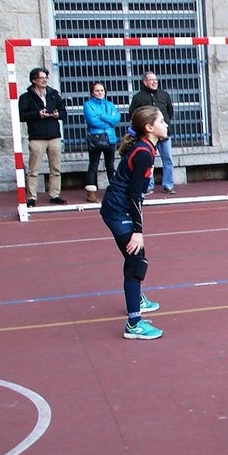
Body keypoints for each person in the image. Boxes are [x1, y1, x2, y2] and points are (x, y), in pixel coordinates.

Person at [99, 106, 167, 340]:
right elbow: (134, 195)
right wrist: (137, 231)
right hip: (118, 210)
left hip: (119, 207)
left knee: (135, 260)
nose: (166, 124)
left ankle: (136, 297)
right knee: (136, 261)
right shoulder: (144, 153)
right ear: (149, 128)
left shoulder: (145, 147)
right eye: (161, 121)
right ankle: (134, 323)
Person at [18, 67, 68, 206]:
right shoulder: (26, 97)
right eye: (41, 77)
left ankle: (55, 194)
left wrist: (58, 114)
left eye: (46, 77)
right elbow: (21, 116)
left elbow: (64, 112)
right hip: (37, 138)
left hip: (54, 136)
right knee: (33, 169)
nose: (44, 79)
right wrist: (37, 114)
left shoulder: (53, 94)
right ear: (34, 80)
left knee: (56, 168)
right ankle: (32, 197)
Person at [129, 70, 176, 195]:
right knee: (149, 160)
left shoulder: (164, 95)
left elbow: (170, 112)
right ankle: (148, 186)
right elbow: (134, 115)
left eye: (155, 79)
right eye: (151, 80)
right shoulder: (138, 97)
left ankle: (168, 185)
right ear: (144, 82)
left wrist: (162, 126)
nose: (154, 82)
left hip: (164, 136)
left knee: (168, 159)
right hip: (148, 136)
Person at [82, 81, 120, 203]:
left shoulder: (110, 104)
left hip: (110, 138)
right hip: (95, 138)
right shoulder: (88, 105)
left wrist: (102, 116)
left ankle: (114, 191)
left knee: (110, 165)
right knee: (93, 164)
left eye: (102, 90)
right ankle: (91, 194)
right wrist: (108, 120)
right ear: (92, 93)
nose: (100, 93)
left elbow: (116, 119)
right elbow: (92, 121)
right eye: (97, 90)